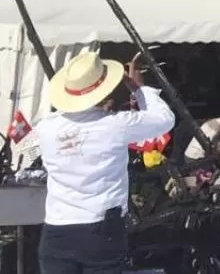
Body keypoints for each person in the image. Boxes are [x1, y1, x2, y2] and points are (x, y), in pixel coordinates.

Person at [33, 52, 175, 274]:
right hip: (100, 227)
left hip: (57, 229)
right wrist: (139, 89)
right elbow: (164, 119)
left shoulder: (46, 128)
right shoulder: (115, 125)